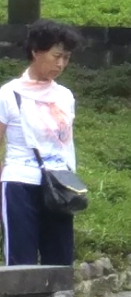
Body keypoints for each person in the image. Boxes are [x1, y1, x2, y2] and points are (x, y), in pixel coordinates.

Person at [1, 21, 82, 267]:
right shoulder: (8, 94)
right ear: (36, 52)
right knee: (21, 262)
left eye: (66, 58)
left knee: (60, 261)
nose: (61, 64)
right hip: (20, 183)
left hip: (58, 187)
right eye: (56, 56)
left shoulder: (64, 96)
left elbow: (65, 144)